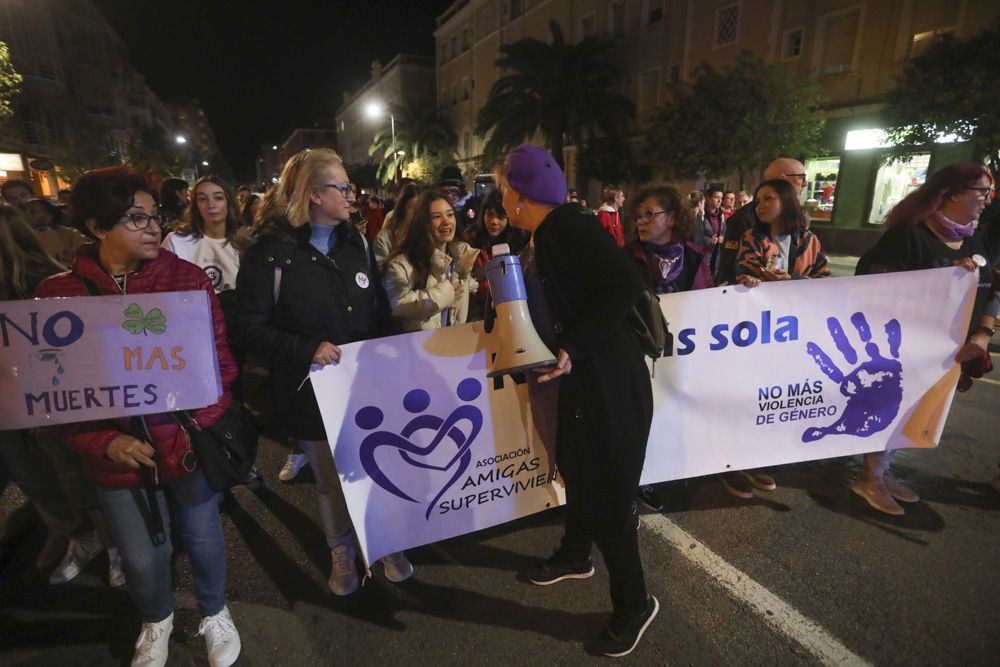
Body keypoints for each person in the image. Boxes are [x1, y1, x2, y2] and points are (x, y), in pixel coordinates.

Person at [34, 167, 242, 667]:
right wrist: (104, 443)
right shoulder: (58, 296)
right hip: (115, 459)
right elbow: (53, 395)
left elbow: (221, 367)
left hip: (187, 448)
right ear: (96, 226)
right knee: (141, 556)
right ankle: (157, 620)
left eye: (155, 216)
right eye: (135, 218)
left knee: (203, 533)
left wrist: (195, 426)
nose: (152, 227)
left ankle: (215, 612)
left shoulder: (186, 280)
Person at [497, 144, 658, 657]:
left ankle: (635, 605)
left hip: (610, 387)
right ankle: (574, 554)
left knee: (608, 497)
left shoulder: (566, 228)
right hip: (586, 383)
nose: (501, 196)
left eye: (503, 186)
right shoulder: (548, 233)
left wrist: (573, 344)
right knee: (580, 471)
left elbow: (625, 282)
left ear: (519, 197)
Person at [235, 148, 413, 594]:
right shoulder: (270, 254)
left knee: (379, 466)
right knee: (332, 481)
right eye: (343, 187)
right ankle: (341, 549)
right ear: (314, 195)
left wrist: (392, 357)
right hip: (310, 391)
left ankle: (385, 540)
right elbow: (247, 327)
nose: (352, 195)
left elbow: (376, 310)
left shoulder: (356, 242)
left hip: (365, 384)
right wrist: (305, 349)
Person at [854, 161, 999, 514]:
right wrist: (938, 282)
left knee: (916, 414)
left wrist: (982, 333)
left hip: (952, 351)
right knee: (891, 409)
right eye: (981, 191)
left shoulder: (974, 239)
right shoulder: (908, 235)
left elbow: (991, 289)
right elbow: (868, 284)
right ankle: (869, 479)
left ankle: (882, 471)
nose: (987, 199)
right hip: (904, 348)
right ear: (950, 194)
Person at [0, 204, 124, 587]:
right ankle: (76, 532)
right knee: (30, 474)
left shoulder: (47, 284)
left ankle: (115, 543)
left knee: (77, 474)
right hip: (7, 404)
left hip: (50, 403)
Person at [627, 186, 713, 511]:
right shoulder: (628, 257)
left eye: (651, 213)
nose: (642, 221)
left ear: (672, 217)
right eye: (639, 215)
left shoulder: (693, 256)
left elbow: (709, 302)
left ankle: (663, 470)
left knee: (668, 415)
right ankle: (637, 480)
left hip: (679, 356)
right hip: (639, 357)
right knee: (640, 418)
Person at [383, 190, 478, 332]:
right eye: (436, 217)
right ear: (422, 223)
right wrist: (445, 294)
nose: (446, 222)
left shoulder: (461, 258)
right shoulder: (401, 263)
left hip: (456, 346)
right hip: (417, 348)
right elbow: (398, 304)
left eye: (450, 214)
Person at [719, 157, 809, 285]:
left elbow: (820, 277)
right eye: (801, 177)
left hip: (796, 300)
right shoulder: (745, 220)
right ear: (783, 180)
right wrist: (747, 282)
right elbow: (730, 267)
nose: (805, 183)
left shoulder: (804, 224)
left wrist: (793, 279)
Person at [466, 188, 529, 321]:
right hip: (477, 318)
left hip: (514, 317)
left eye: (500, 217)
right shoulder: (471, 242)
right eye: (489, 214)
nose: (493, 221)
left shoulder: (520, 246)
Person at [22, 197, 89, 266]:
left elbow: (85, 251)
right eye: (23, 210)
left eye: (33, 212)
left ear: (48, 218)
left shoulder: (69, 233)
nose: (25, 214)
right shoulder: (21, 236)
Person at [374, 182, 420, 267]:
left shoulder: (425, 234)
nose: (416, 213)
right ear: (402, 207)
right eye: (411, 207)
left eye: (419, 208)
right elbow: (381, 268)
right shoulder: (385, 237)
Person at [440, 165, 479, 237]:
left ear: (461, 189)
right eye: (445, 192)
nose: (449, 195)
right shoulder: (439, 207)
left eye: (453, 191)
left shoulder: (474, 204)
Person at [702, 187, 726, 281]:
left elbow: (724, 231)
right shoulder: (701, 214)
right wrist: (708, 240)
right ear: (708, 198)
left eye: (721, 197)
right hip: (704, 253)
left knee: (714, 278)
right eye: (716, 197)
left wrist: (723, 237)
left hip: (717, 253)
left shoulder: (722, 215)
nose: (720, 200)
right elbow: (694, 235)